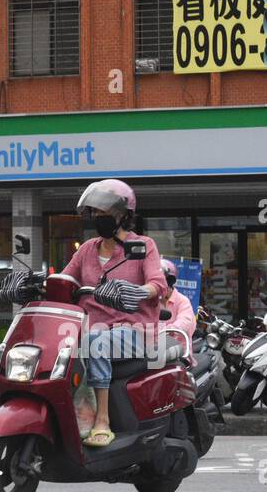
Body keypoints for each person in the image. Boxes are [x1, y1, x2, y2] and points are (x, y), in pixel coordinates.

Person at [60, 180, 166, 448]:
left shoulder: (143, 246)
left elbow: (158, 284)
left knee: (96, 340)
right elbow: (65, 281)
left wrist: (139, 292)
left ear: (123, 215)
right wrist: (32, 284)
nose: (98, 218)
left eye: (104, 213)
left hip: (135, 330)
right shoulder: (86, 250)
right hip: (90, 328)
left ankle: (102, 420)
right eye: (95, 213)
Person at [159, 258, 196, 347]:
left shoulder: (183, 301)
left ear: (170, 282)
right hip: (153, 351)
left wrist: (160, 331)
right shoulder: (149, 302)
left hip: (179, 354)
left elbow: (184, 323)